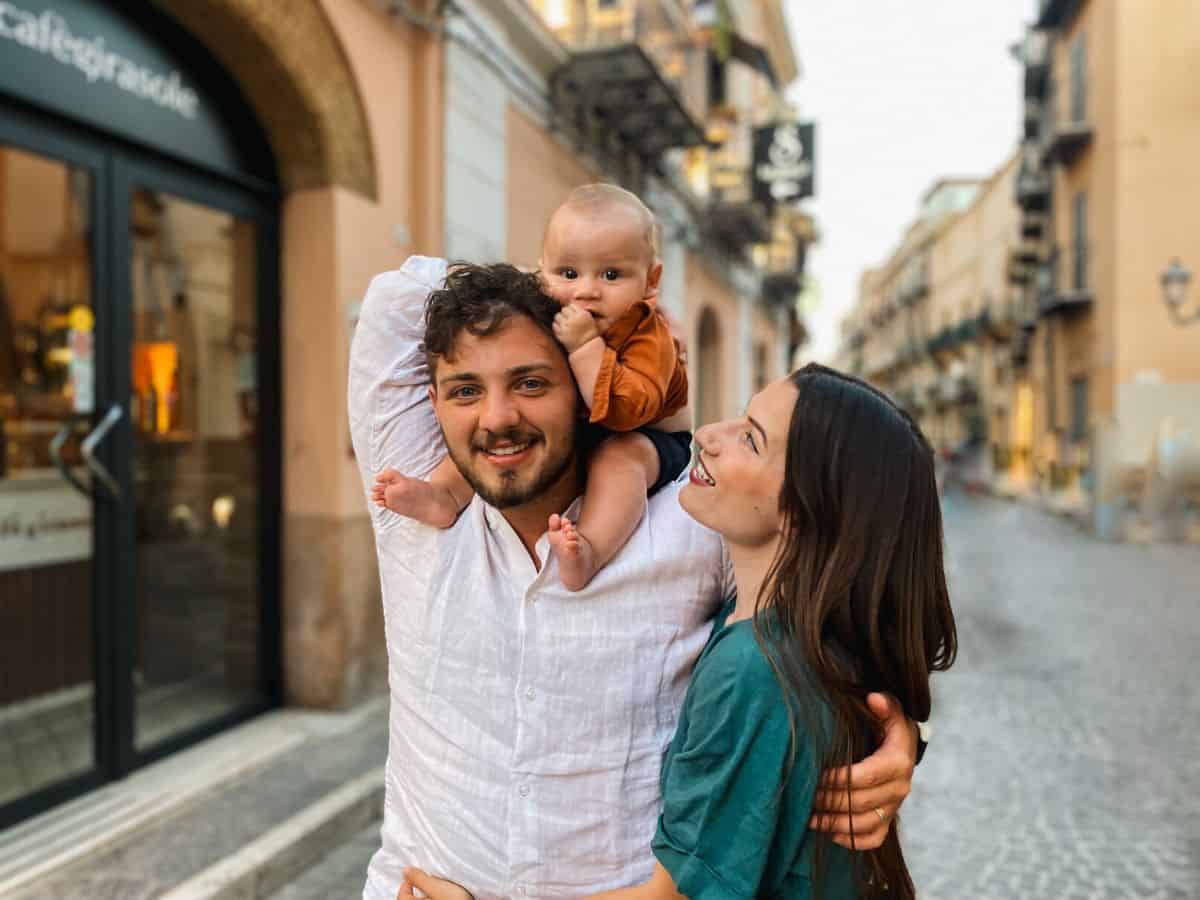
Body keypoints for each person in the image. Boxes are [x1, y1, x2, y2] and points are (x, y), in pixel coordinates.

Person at [348, 257, 920, 900]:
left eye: (532, 382)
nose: (498, 418)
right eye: (464, 390)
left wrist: (883, 732)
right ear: (436, 401)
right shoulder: (408, 502)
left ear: (590, 396)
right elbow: (393, 294)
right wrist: (585, 286)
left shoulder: (690, 523)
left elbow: (826, 596)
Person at [373, 184, 689, 590]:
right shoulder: (553, 314)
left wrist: (587, 346)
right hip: (587, 424)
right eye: (568, 273)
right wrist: (513, 281)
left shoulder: (650, 333)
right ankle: (444, 496)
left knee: (620, 462)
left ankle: (591, 549)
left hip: (644, 436)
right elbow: (394, 295)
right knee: (482, 440)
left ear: (651, 279)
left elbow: (627, 411)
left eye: (612, 274)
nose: (586, 289)